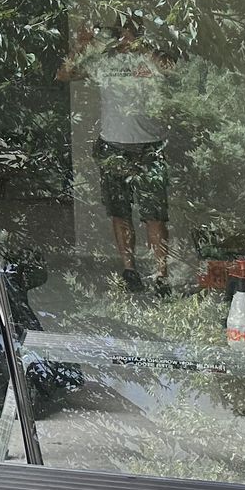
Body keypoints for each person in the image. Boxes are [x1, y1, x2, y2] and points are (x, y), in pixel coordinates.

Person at [59, 15, 173, 294]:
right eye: (120, 30)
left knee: (155, 215)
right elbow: (64, 74)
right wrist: (82, 44)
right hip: (113, 146)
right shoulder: (105, 60)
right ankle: (129, 270)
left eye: (129, 30)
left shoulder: (149, 57)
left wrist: (140, 46)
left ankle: (161, 275)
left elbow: (171, 69)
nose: (123, 36)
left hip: (149, 147)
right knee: (120, 212)